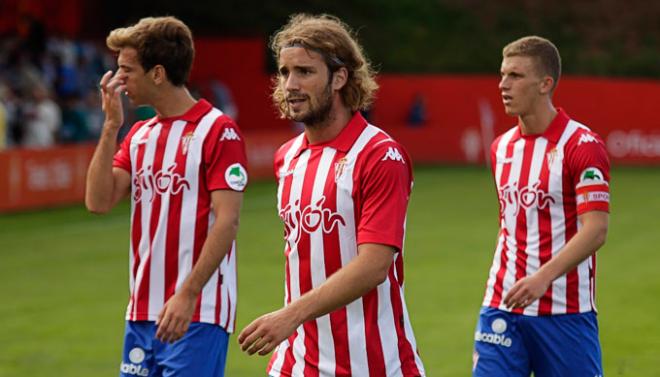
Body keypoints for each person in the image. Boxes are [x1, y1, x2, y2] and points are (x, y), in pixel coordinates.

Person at [237, 14, 426, 377]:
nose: (290, 84)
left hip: (372, 363)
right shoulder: (287, 157)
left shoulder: (379, 155)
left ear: (339, 77)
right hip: (296, 362)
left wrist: (290, 314)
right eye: (284, 72)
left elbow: (373, 266)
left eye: (305, 72)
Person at [85, 16, 247, 377]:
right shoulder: (139, 134)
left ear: (158, 73)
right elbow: (98, 202)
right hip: (142, 314)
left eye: (126, 70)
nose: (118, 80)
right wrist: (111, 127)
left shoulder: (218, 131)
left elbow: (227, 220)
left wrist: (187, 294)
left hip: (197, 312)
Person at [473, 36, 610, 377]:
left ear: (545, 83)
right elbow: (512, 225)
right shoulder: (500, 148)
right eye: (502, 75)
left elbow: (596, 230)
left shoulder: (582, 146)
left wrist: (542, 278)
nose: (503, 85)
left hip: (566, 310)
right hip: (502, 303)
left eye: (516, 76)